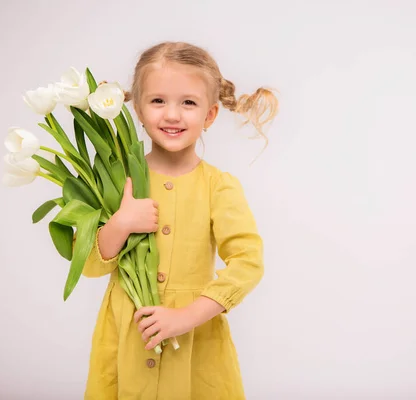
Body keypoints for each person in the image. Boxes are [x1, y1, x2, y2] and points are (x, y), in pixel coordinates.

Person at [81, 41, 278, 399]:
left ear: (210, 115)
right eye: (157, 101)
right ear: (138, 110)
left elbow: (247, 264)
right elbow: (91, 265)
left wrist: (187, 316)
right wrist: (121, 223)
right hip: (128, 335)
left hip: (195, 339)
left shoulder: (219, 187)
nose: (172, 115)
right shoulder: (117, 179)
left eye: (188, 102)